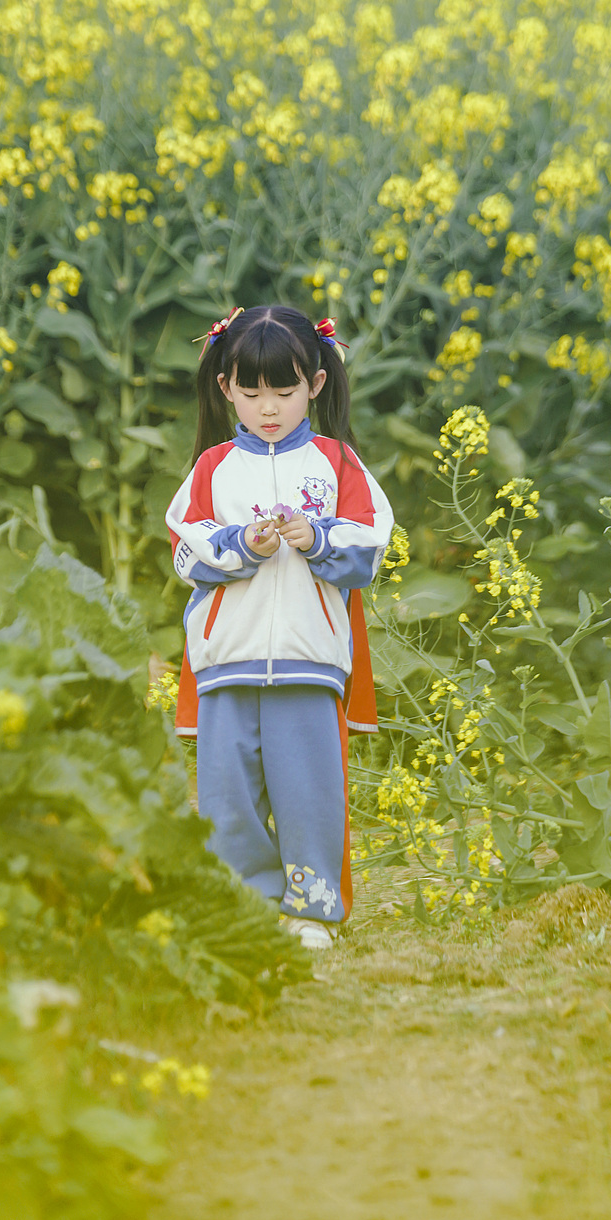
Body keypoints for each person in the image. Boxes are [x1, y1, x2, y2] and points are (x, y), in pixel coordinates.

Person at [165, 304, 393, 950]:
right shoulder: (211, 468)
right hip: (226, 659)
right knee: (226, 797)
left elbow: (369, 543)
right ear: (225, 387)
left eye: (285, 391)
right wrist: (243, 544)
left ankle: (311, 911)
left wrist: (316, 537)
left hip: (309, 656)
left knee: (309, 793)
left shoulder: (338, 463)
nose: (268, 407)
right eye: (252, 391)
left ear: (315, 384)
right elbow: (185, 548)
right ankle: (247, 906)